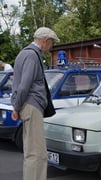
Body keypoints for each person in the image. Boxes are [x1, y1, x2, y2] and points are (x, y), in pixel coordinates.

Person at [11, 27, 59, 180]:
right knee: (36, 153)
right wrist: (16, 108)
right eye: (51, 43)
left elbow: (20, 84)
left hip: (29, 105)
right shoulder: (32, 56)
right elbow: (24, 86)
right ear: (45, 41)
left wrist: (17, 106)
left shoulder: (25, 53)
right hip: (32, 106)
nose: (51, 46)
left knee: (35, 151)